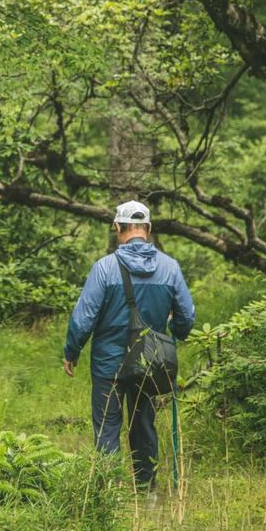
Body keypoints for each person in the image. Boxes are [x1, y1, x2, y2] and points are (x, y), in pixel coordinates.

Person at [63, 200, 195, 489]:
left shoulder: (104, 269)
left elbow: (83, 318)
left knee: (107, 428)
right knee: (144, 426)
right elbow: (187, 316)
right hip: (150, 362)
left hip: (108, 365)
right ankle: (146, 493)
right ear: (147, 229)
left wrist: (72, 352)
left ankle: (108, 493)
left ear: (118, 229)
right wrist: (176, 329)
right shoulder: (170, 268)